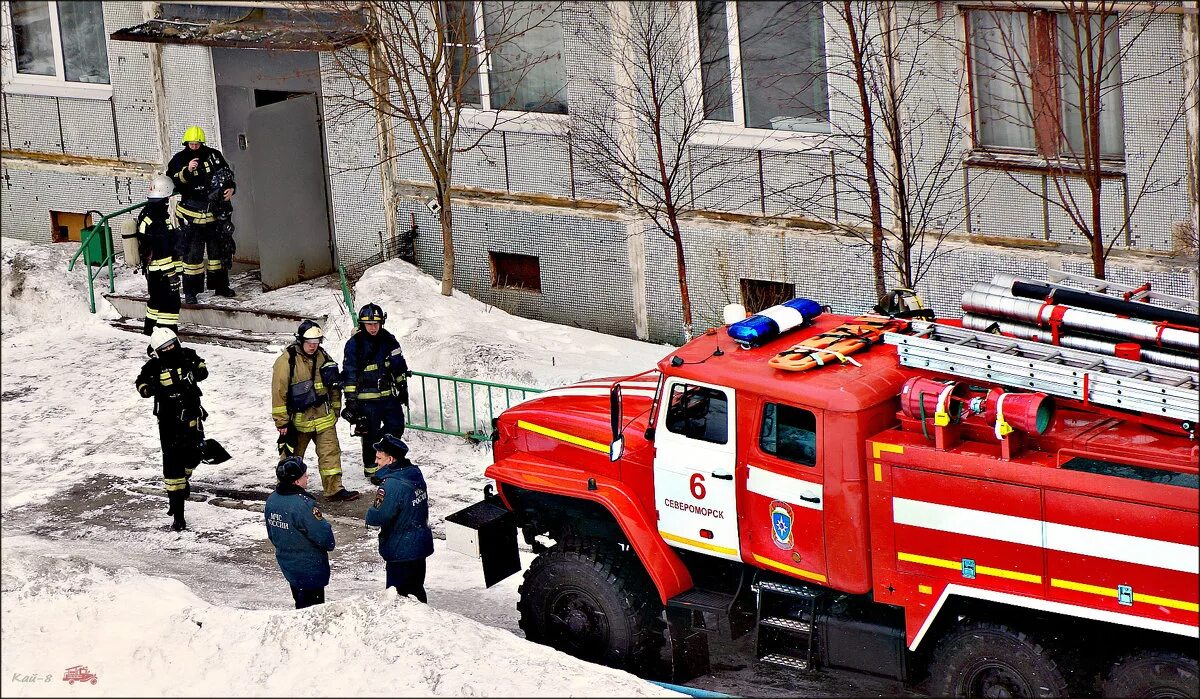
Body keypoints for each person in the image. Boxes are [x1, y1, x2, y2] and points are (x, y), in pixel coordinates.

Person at [271, 319, 359, 502]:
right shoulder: (287, 360)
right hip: (298, 421)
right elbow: (279, 392)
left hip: (324, 418)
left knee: (330, 454)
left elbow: (334, 386)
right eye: (310, 343)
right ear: (300, 341)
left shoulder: (324, 357)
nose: (313, 347)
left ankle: (334, 489)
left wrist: (335, 410)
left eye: (316, 343)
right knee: (291, 458)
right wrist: (282, 421)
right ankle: (287, 490)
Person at [135, 327, 209, 531]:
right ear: (157, 351)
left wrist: (197, 373)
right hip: (168, 423)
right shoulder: (153, 366)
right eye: (164, 348)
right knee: (172, 466)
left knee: (195, 454)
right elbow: (140, 382)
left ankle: (185, 478)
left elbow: (202, 369)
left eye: (172, 345)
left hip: (192, 417)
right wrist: (147, 389)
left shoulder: (188, 356)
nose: (170, 350)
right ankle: (177, 513)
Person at [341, 304, 411, 485]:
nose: (373, 327)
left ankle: (389, 462)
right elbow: (349, 373)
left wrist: (402, 386)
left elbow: (398, 364)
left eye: (376, 323)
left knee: (396, 427)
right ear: (362, 324)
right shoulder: (354, 344)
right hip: (366, 400)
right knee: (370, 434)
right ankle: (372, 469)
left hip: (387, 397)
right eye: (369, 324)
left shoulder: (389, 340)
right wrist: (351, 401)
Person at [167, 125, 236, 304]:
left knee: (218, 253)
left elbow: (226, 174)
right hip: (192, 216)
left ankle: (221, 286)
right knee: (192, 257)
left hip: (215, 214)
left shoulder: (213, 155)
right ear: (186, 143)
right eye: (191, 143)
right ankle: (191, 292)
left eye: (197, 144)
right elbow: (173, 181)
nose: (195, 146)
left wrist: (231, 188)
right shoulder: (179, 159)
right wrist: (187, 171)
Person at [365, 435, 433, 602]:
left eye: (379, 458)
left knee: (397, 597)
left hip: (401, 548)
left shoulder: (392, 485)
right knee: (416, 590)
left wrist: (370, 514)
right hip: (418, 545)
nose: (376, 461)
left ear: (390, 459)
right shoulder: (413, 473)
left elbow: (379, 515)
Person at [265, 456, 335, 609]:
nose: (307, 477)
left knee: (300, 603)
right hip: (309, 567)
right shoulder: (302, 505)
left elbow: (272, 534)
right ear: (296, 481)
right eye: (304, 475)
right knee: (313, 611)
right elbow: (324, 536)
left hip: (289, 565)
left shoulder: (272, 500)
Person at [136, 175, 182, 335]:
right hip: (162, 272)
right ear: (166, 196)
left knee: (155, 303)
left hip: (153, 272)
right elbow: (162, 253)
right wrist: (172, 275)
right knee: (170, 305)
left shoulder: (147, 213)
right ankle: (166, 335)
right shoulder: (157, 220)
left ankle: (149, 332)